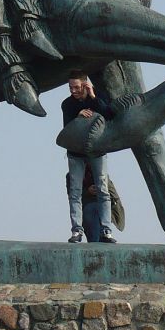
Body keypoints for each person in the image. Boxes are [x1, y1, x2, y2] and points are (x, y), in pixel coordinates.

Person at [62, 71, 117, 243]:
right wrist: (78, 117)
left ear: (85, 85)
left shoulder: (97, 97)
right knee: (75, 192)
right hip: (76, 154)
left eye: (77, 87)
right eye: (70, 88)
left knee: (103, 190)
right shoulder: (67, 104)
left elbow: (110, 115)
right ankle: (76, 231)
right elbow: (66, 131)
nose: (73, 91)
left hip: (97, 151)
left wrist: (93, 97)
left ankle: (106, 231)